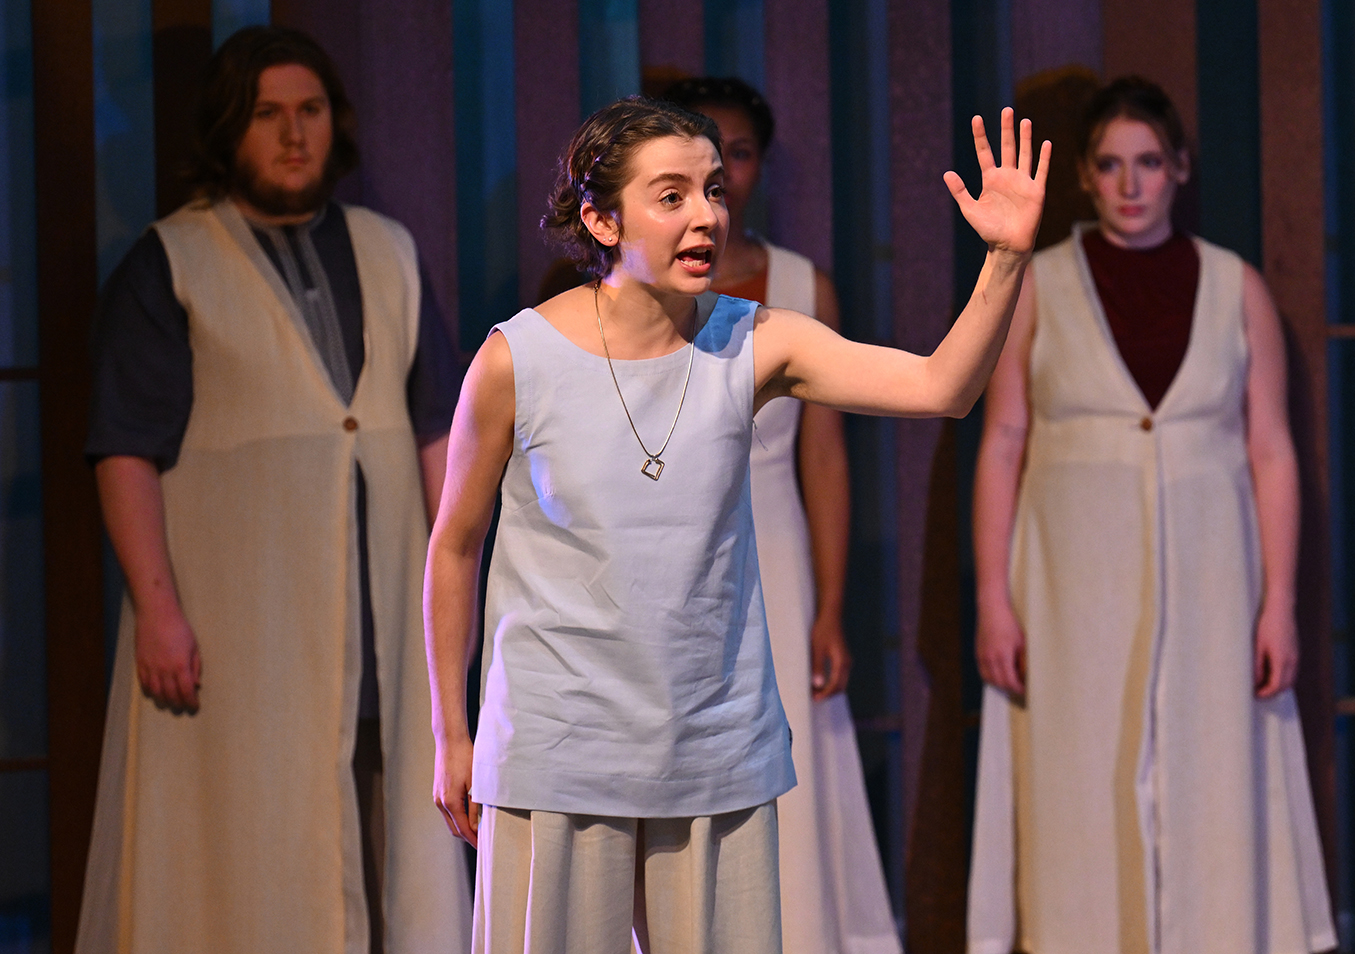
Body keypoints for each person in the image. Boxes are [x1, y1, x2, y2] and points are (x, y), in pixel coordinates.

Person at [427, 94, 1047, 954]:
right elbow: (454, 545)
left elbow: (944, 387)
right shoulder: (516, 358)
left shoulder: (755, 340)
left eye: (714, 189)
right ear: (601, 219)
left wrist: (1007, 258)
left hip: (711, 745)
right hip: (560, 746)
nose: (707, 215)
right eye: (671, 195)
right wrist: (451, 735)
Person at [77, 26, 470, 954]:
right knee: (244, 846)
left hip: (380, 624)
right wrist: (158, 609)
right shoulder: (171, 261)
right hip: (242, 627)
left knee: (385, 843)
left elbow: (435, 432)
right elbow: (124, 450)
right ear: (230, 129)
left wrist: (466, 593)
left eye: (311, 111)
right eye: (267, 115)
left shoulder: (388, 250)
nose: (295, 135)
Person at [966, 76, 1336, 954]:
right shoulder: (1039, 285)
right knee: (1077, 772)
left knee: (1212, 772)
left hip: (1213, 581)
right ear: (1086, 180)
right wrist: (992, 597)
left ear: (1177, 170)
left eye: (1148, 164)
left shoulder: (1233, 287)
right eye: (1109, 165)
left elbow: (1272, 450)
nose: (1131, 184)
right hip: (1071, 585)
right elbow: (1004, 439)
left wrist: (1278, 602)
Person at [660, 76, 901, 954]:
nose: (723, 165)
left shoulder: (801, 284)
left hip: (777, 547)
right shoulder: (629, 286)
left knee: (790, 752)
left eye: (742, 150)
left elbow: (825, 456)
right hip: (667, 545)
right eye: (703, 146)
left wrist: (830, 604)